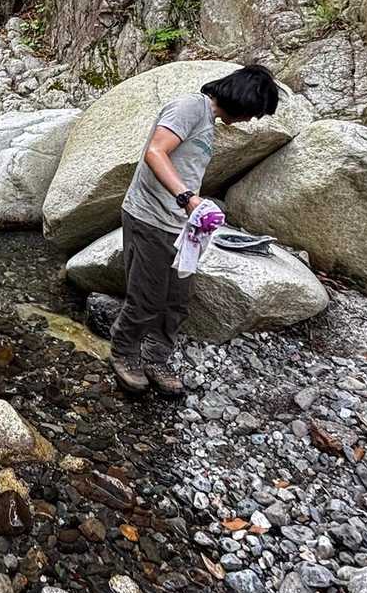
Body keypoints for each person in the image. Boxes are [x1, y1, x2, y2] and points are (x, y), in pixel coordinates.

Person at [111, 63, 280, 396]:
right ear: (243, 100)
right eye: (254, 113)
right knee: (146, 297)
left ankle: (156, 358)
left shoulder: (208, 122)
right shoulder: (189, 107)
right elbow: (155, 152)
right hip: (149, 217)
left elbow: (185, 167)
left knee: (176, 300)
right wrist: (186, 197)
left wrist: (198, 210)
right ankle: (124, 351)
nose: (250, 120)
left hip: (182, 226)